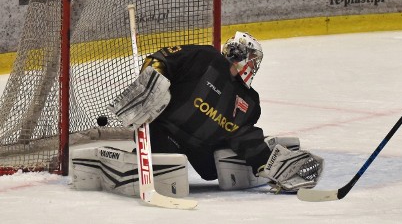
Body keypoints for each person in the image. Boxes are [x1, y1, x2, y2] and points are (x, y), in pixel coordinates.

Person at [72, 31, 323, 197]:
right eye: (253, 60)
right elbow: (161, 59)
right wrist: (149, 82)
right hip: (165, 132)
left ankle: (276, 160)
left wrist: (263, 160)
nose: (254, 66)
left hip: (203, 149)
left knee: (218, 166)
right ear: (242, 55)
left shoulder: (249, 100)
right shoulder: (204, 57)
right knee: (163, 171)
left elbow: (243, 135)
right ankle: (106, 165)